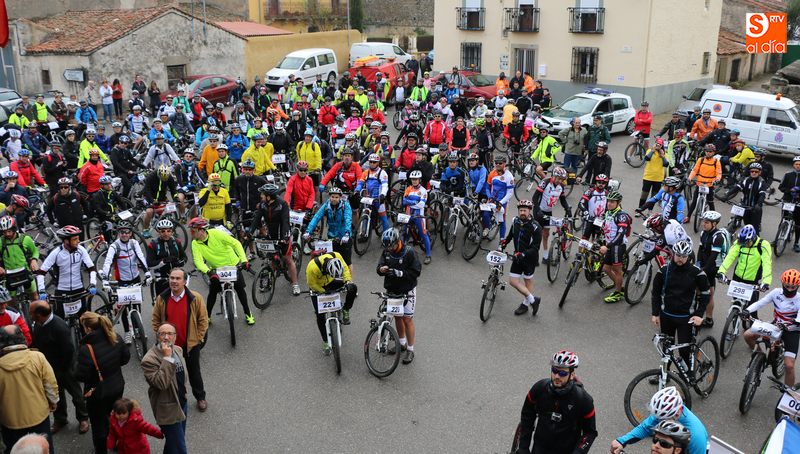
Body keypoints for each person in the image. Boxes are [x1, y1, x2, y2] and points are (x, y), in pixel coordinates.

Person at [513, 350, 597, 454]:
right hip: (540, 448)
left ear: (571, 375)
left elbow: (590, 432)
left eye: (562, 373)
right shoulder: (539, 389)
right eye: (554, 370)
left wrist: (578, 452)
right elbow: (527, 416)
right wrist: (523, 447)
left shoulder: (583, 400)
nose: (557, 376)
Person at [28, 300, 89, 435]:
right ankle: (60, 419)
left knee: (76, 394)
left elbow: (69, 351)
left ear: (39, 314)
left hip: (65, 368)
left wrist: (63, 369)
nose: (29, 314)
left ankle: (83, 418)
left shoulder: (59, 327)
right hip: (49, 368)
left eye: (31, 312)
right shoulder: (38, 324)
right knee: (55, 395)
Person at [151, 268, 208, 413]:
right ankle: (179, 399)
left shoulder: (195, 298)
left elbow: (203, 320)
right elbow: (155, 320)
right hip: (170, 348)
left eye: (178, 278)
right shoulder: (162, 299)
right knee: (174, 375)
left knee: (194, 372)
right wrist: (162, 339)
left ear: (184, 281)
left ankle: (200, 397)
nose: (174, 281)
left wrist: (198, 338)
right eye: (172, 278)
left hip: (190, 345)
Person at [75, 311, 131, 454]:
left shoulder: (86, 349)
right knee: (117, 416)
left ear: (88, 328)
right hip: (117, 385)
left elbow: (81, 375)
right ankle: (119, 444)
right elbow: (125, 358)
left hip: (98, 393)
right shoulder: (115, 337)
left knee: (99, 426)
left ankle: (102, 450)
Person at [651, 240, 710, 371]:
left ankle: (688, 378)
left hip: (686, 318)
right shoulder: (664, 271)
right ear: (673, 254)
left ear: (688, 256)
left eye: (684, 256)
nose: (680, 259)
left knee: (684, 352)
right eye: (678, 255)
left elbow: (706, 295)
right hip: (667, 316)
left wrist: (699, 315)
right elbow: (655, 293)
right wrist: (655, 313)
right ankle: (664, 374)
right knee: (666, 350)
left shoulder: (697, 273)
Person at [0, 325, 58, 454]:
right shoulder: (37, 357)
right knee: (43, 447)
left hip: (10, 421)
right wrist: (53, 401)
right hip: (39, 416)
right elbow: (50, 384)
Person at [189, 217, 254, 325]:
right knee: (212, 293)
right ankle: (208, 316)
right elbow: (198, 261)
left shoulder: (216, 233)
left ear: (201, 230)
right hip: (216, 271)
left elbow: (236, 243)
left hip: (233, 266)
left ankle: (248, 313)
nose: (191, 233)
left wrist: (243, 260)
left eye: (193, 231)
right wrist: (208, 271)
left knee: (240, 290)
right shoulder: (195, 243)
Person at [611, 387, 708, 454]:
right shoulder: (664, 413)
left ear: (677, 413)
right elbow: (645, 428)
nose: (658, 420)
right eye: (655, 440)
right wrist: (621, 441)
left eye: (664, 443)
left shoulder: (696, 435)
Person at [99, 220, 151, 344]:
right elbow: (107, 262)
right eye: (122, 232)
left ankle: (138, 328)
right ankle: (127, 332)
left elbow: (141, 257)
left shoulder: (134, 244)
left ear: (131, 234)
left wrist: (147, 272)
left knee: (137, 305)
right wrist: (105, 279)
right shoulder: (114, 246)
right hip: (122, 280)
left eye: (127, 232)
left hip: (136, 278)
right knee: (123, 308)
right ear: (118, 233)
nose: (125, 235)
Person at [141, 323, 188, 454]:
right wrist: (167, 358)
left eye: (170, 334)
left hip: (181, 403)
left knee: (175, 442)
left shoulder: (178, 350)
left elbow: (182, 375)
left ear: (175, 337)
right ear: (157, 337)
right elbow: (161, 383)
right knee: (180, 448)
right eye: (162, 334)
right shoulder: (149, 360)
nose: (166, 337)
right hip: (168, 410)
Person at [377, 228, 422, 364]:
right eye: (387, 247)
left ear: (398, 242)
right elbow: (379, 267)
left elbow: (416, 272)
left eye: (391, 246)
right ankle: (401, 344)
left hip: (407, 290)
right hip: (393, 290)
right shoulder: (387, 251)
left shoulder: (410, 252)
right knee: (397, 316)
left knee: (407, 319)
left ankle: (410, 349)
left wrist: (400, 273)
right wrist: (381, 269)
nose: (389, 249)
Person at [35, 226, 98, 318]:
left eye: (78, 238)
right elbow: (41, 272)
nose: (78, 241)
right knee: (60, 322)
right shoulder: (56, 253)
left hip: (78, 289)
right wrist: (41, 290)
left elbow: (91, 268)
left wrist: (92, 283)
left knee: (84, 320)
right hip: (61, 290)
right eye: (75, 239)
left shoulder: (81, 250)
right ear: (66, 241)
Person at [305, 250, 357, 353]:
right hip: (317, 287)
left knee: (353, 288)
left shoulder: (337, 255)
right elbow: (311, 284)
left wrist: (347, 282)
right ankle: (325, 341)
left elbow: (346, 269)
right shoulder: (312, 267)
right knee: (320, 315)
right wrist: (324, 292)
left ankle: (346, 309)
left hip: (330, 281)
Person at [499, 199, 542, 316]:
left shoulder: (536, 227)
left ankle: (525, 304)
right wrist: (505, 242)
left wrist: (523, 254)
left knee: (527, 280)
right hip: (517, 256)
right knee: (513, 281)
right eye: (520, 210)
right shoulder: (516, 221)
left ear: (529, 211)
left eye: (525, 210)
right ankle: (533, 300)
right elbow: (511, 234)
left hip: (529, 259)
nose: (522, 212)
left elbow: (535, 247)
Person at [718, 224, 773, 307]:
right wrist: (721, 271)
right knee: (735, 303)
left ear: (753, 238)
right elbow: (730, 257)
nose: (745, 245)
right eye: (743, 243)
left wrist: (766, 282)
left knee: (751, 309)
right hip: (737, 277)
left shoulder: (763, 245)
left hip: (753, 281)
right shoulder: (740, 243)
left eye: (747, 243)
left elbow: (767, 264)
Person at [695, 211, 729, 329]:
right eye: (704, 221)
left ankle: (709, 319)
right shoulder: (703, 233)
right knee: (699, 289)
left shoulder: (718, 237)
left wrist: (703, 270)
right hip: (704, 263)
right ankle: (698, 309)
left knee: (709, 293)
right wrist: (698, 264)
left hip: (713, 267)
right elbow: (700, 249)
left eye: (707, 222)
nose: (704, 224)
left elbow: (713, 257)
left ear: (714, 224)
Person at [532, 167, 571, 265]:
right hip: (539, 210)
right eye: (558, 178)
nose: (559, 181)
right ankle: (533, 256)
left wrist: (567, 208)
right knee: (537, 235)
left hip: (548, 212)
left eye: (561, 179)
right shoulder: (545, 182)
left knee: (546, 234)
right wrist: (538, 210)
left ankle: (545, 257)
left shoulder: (561, 187)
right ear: (553, 176)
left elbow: (563, 200)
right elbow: (535, 197)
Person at [0, 215, 40, 308]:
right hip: (9, 276)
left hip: (25, 272)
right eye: (4, 232)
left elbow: (35, 251)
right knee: (10, 303)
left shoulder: (25, 239)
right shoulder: (1, 242)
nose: (7, 234)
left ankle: (37, 319)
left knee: (34, 297)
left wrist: (34, 260)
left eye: (9, 231)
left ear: (14, 229)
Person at [599, 191, 632, 303]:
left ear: (618, 203)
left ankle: (618, 293)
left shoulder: (621, 216)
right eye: (608, 201)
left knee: (617, 270)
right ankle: (620, 287)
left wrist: (607, 246)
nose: (609, 203)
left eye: (612, 202)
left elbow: (620, 234)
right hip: (610, 245)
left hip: (617, 246)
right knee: (606, 268)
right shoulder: (609, 212)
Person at [725, 162, 767, 234]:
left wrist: (758, 205)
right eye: (752, 171)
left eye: (756, 171)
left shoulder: (761, 182)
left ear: (759, 172)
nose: (753, 173)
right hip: (744, 206)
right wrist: (726, 195)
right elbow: (737, 188)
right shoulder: (746, 180)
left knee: (754, 230)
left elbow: (762, 195)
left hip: (755, 208)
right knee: (746, 225)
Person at [402, 170, 432, 264]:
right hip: (408, 214)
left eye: (416, 179)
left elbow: (421, 205)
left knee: (424, 234)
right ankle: (403, 253)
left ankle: (428, 255)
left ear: (419, 180)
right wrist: (414, 202)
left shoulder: (423, 191)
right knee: (404, 232)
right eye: (412, 179)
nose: (414, 181)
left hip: (419, 215)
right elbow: (403, 201)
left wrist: (409, 202)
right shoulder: (408, 188)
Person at [686, 144, 722, 218]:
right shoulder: (701, 160)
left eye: (710, 151)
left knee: (710, 202)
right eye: (707, 151)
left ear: (713, 153)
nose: (708, 153)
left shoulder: (716, 161)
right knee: (694, 201)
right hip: (700, 184)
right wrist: (690, 178)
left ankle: (714, 219)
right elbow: (695, 170)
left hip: (709, 185)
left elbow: (719, 172)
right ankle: (688, 217)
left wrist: (717, 179)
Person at [486, 156, 515, 239]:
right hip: (492, 199)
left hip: (503, 202)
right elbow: (487, 187)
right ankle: (486, 229)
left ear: (504, 164)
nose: (498, 165)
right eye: (496, 163)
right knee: (485, 214)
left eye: (500, 163)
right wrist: (489, 196)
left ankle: (501, 242)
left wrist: (501, 202)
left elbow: (510, 193)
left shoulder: (509, 176)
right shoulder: (492, 173)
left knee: (502, 221)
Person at [778, 156, 800, 252]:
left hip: (798, 203)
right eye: (796, 164)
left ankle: (796, 243)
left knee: (798, 224)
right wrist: (789, 191)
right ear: (793, 165)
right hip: (787, 201)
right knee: (783, 219)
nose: (798, 166)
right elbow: (781, 187)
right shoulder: (787, 175)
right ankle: (777, 238)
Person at [577, 174, 609, 240]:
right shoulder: (590, 191)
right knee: (584, 241)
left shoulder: (606, 193)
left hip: (600, 220)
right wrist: (586, 212)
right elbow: (580, 203)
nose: (601, 184)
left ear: (606, 184)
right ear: (596, 182)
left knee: (597, 241)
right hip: (589, 219)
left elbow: (609, 206)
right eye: (599, 182)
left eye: (603, 183)